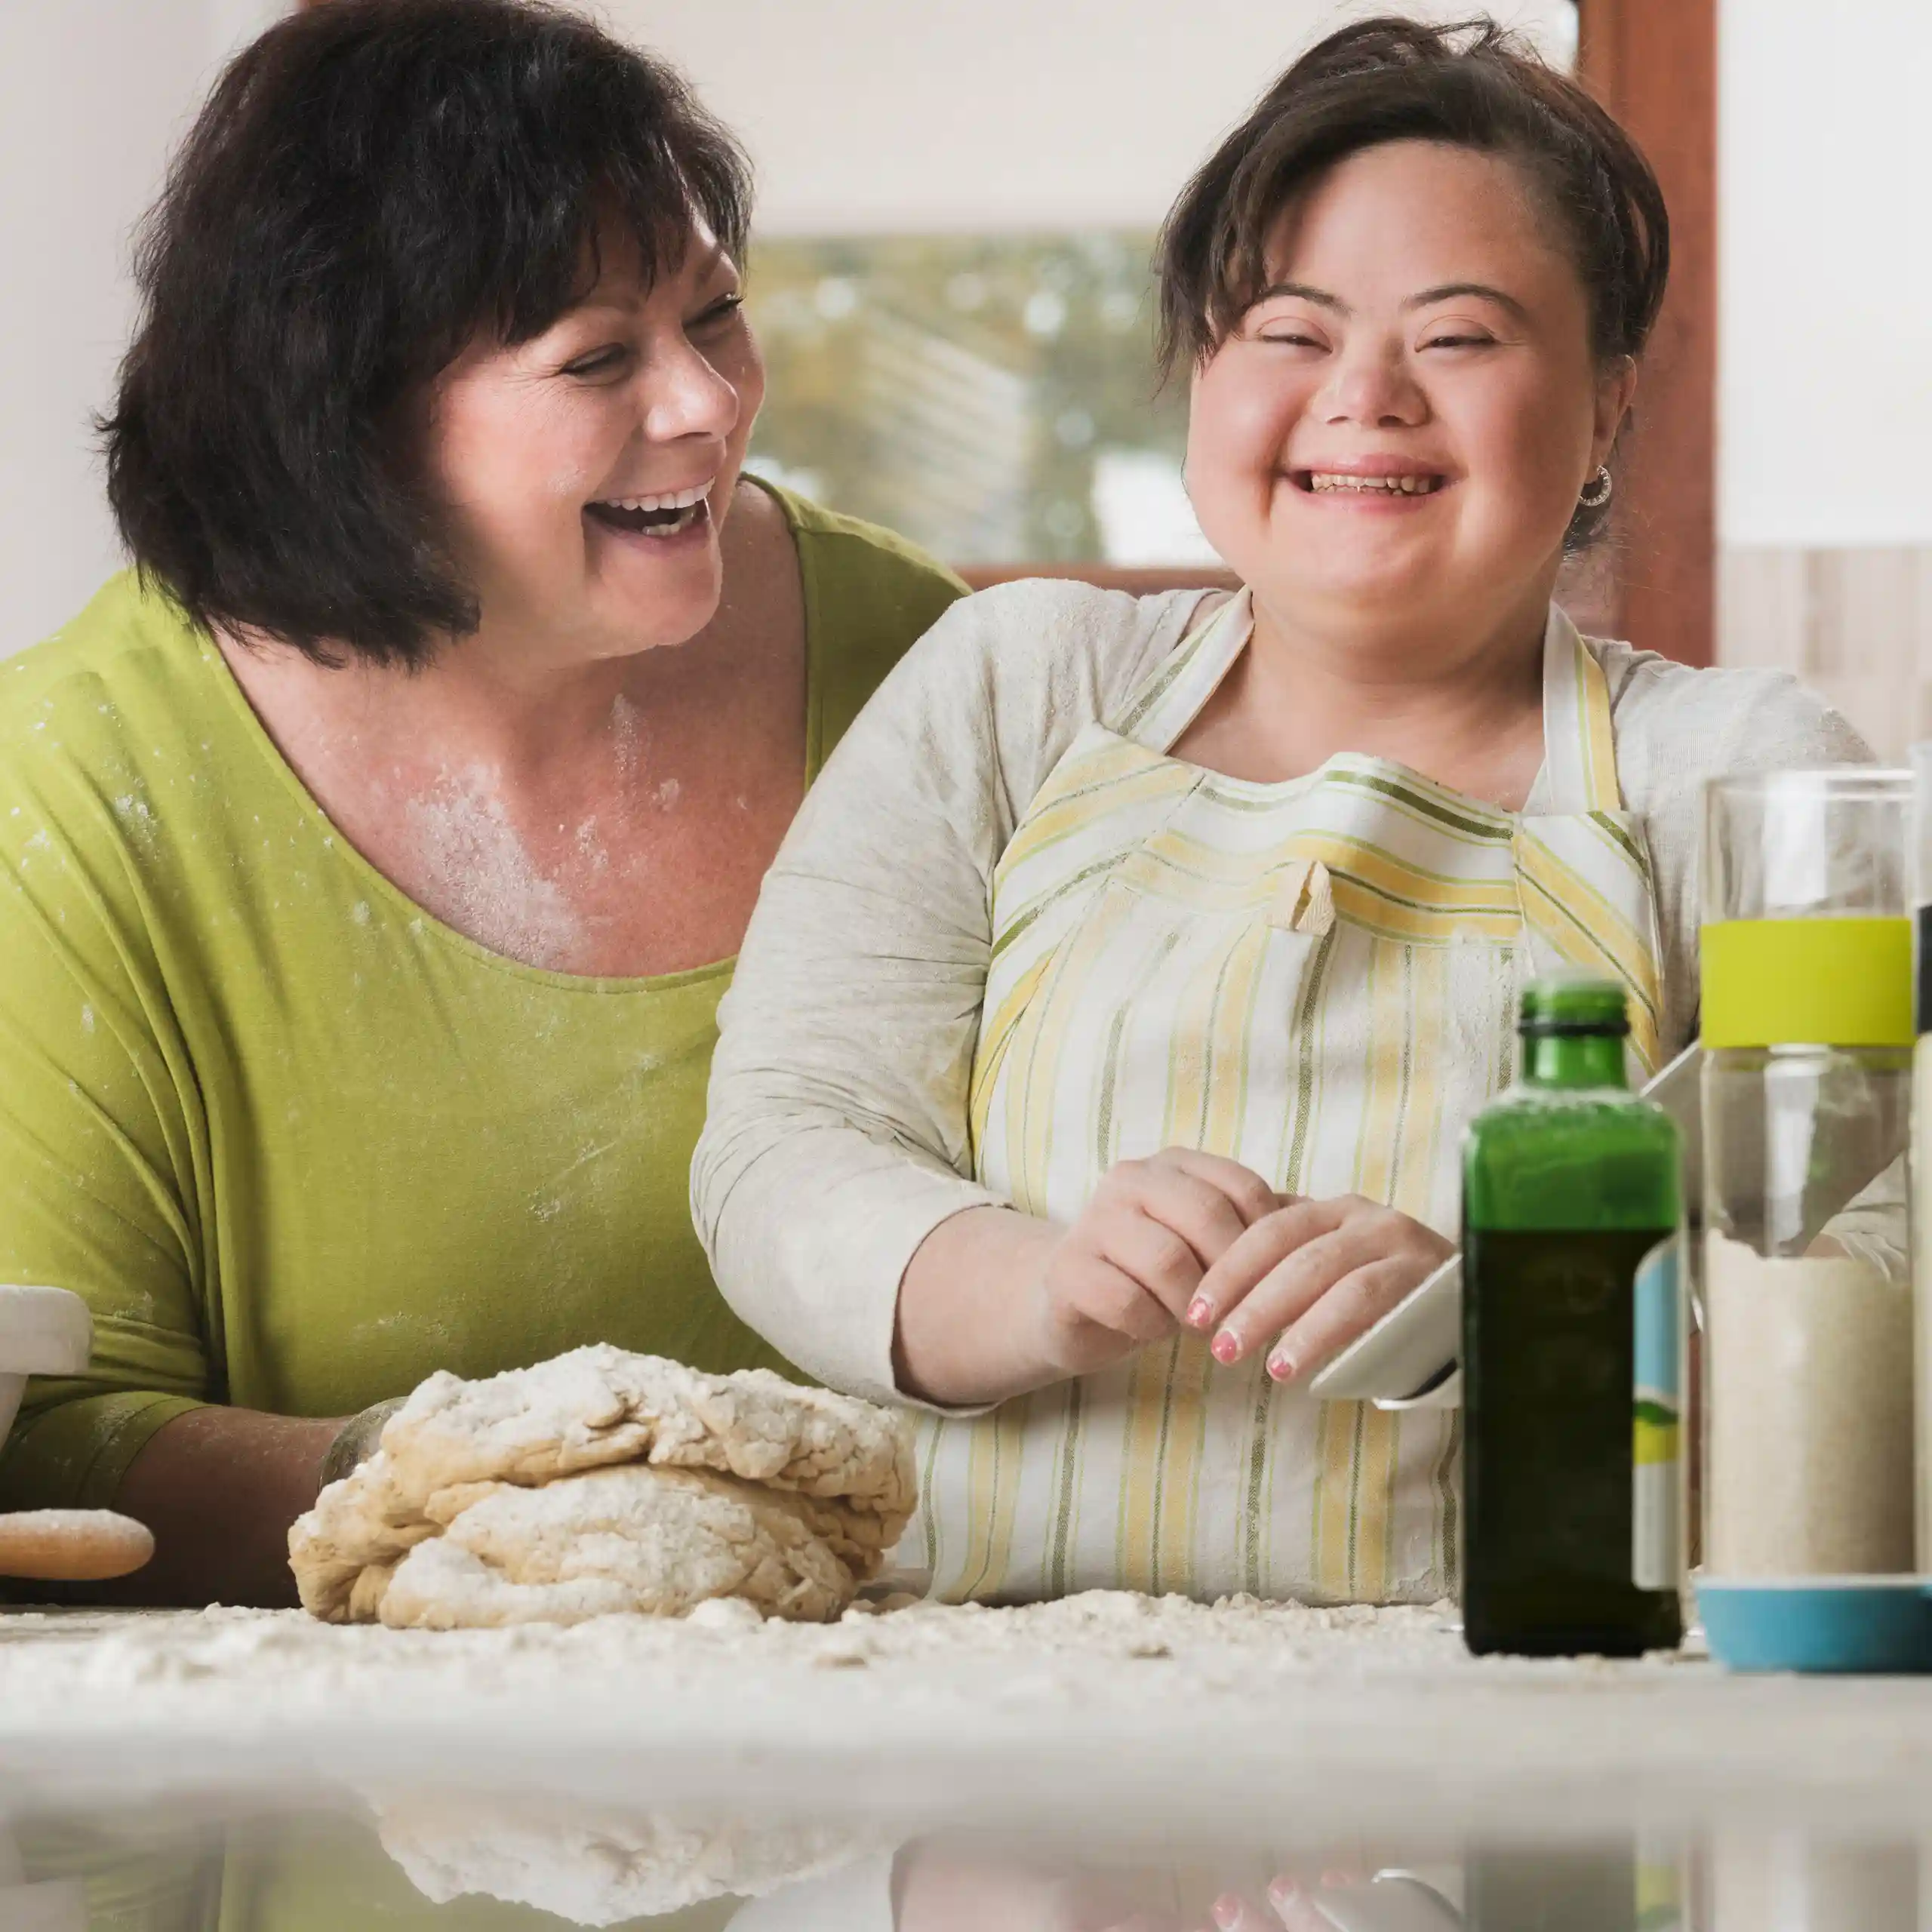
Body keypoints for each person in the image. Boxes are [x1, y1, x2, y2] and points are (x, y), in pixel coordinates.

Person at [694, 17, 1869, 1606]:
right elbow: (783, 1144)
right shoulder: (1017, 683)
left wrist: (1514, 1312)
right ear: (1203, 372)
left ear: (1604, 410)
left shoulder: (1747, 776)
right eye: (1289, 331)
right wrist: (1039, 1283)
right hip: (969, 1696)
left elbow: (1871, 1277)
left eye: (1458, 338)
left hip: (1521, 1705)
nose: (1363, 396)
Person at [0, 0, 962, 1607]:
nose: (708, 404)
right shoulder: (73, 784)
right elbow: (50, 1442)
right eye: (598, 357)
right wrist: (461, 1485)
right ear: (350, 413)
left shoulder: (927, 671)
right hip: (336, 1753)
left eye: (717, 314)